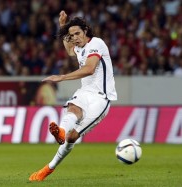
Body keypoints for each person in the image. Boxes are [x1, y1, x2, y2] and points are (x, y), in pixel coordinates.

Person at [29, 10, 117, 181]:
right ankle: (60, 131)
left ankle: (49, 167)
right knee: (73, 109)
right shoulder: (79, 48)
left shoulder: (97, 43)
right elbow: (70, 50)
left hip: (101, 99)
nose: (75, 38)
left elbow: (90, 68)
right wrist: (63, 26)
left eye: (78, 33)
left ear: (86, 31)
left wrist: (62, 77)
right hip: (85, 92)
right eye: (72, 35)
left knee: (72, 137)